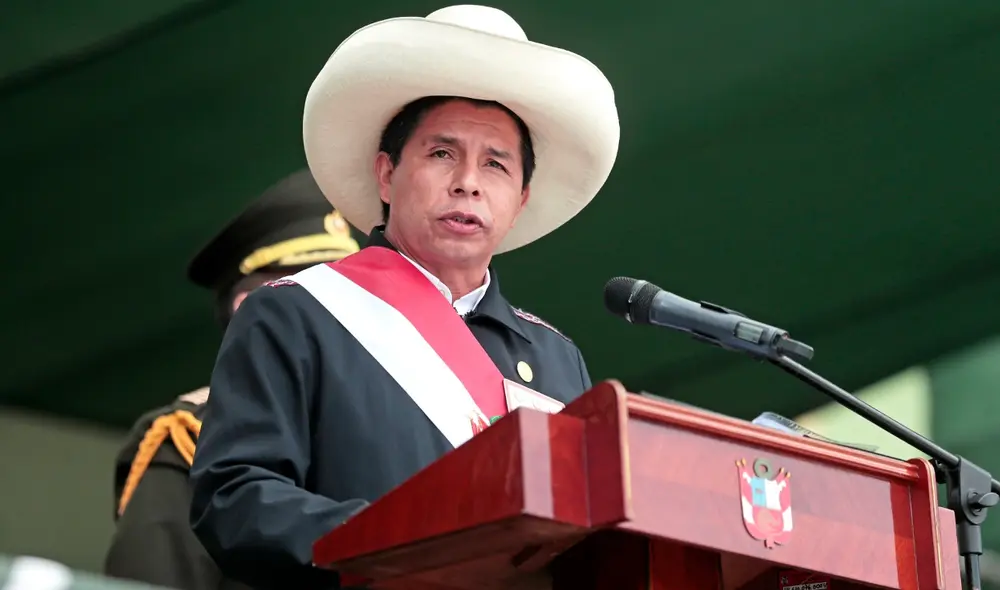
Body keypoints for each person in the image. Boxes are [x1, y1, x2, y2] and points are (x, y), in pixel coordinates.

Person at [189, 5, 619, 589]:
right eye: (442, 154)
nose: (468, 182)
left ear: (520, 200)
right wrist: (401, 542)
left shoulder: (555, 357)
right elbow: (236, 498)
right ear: (386, 175)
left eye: (496, 164)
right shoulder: (299, 311)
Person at [103, 169, 361, 590]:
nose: (344, 311)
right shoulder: (188, 439)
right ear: (250, 310)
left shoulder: (380, 432)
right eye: (316, 293)